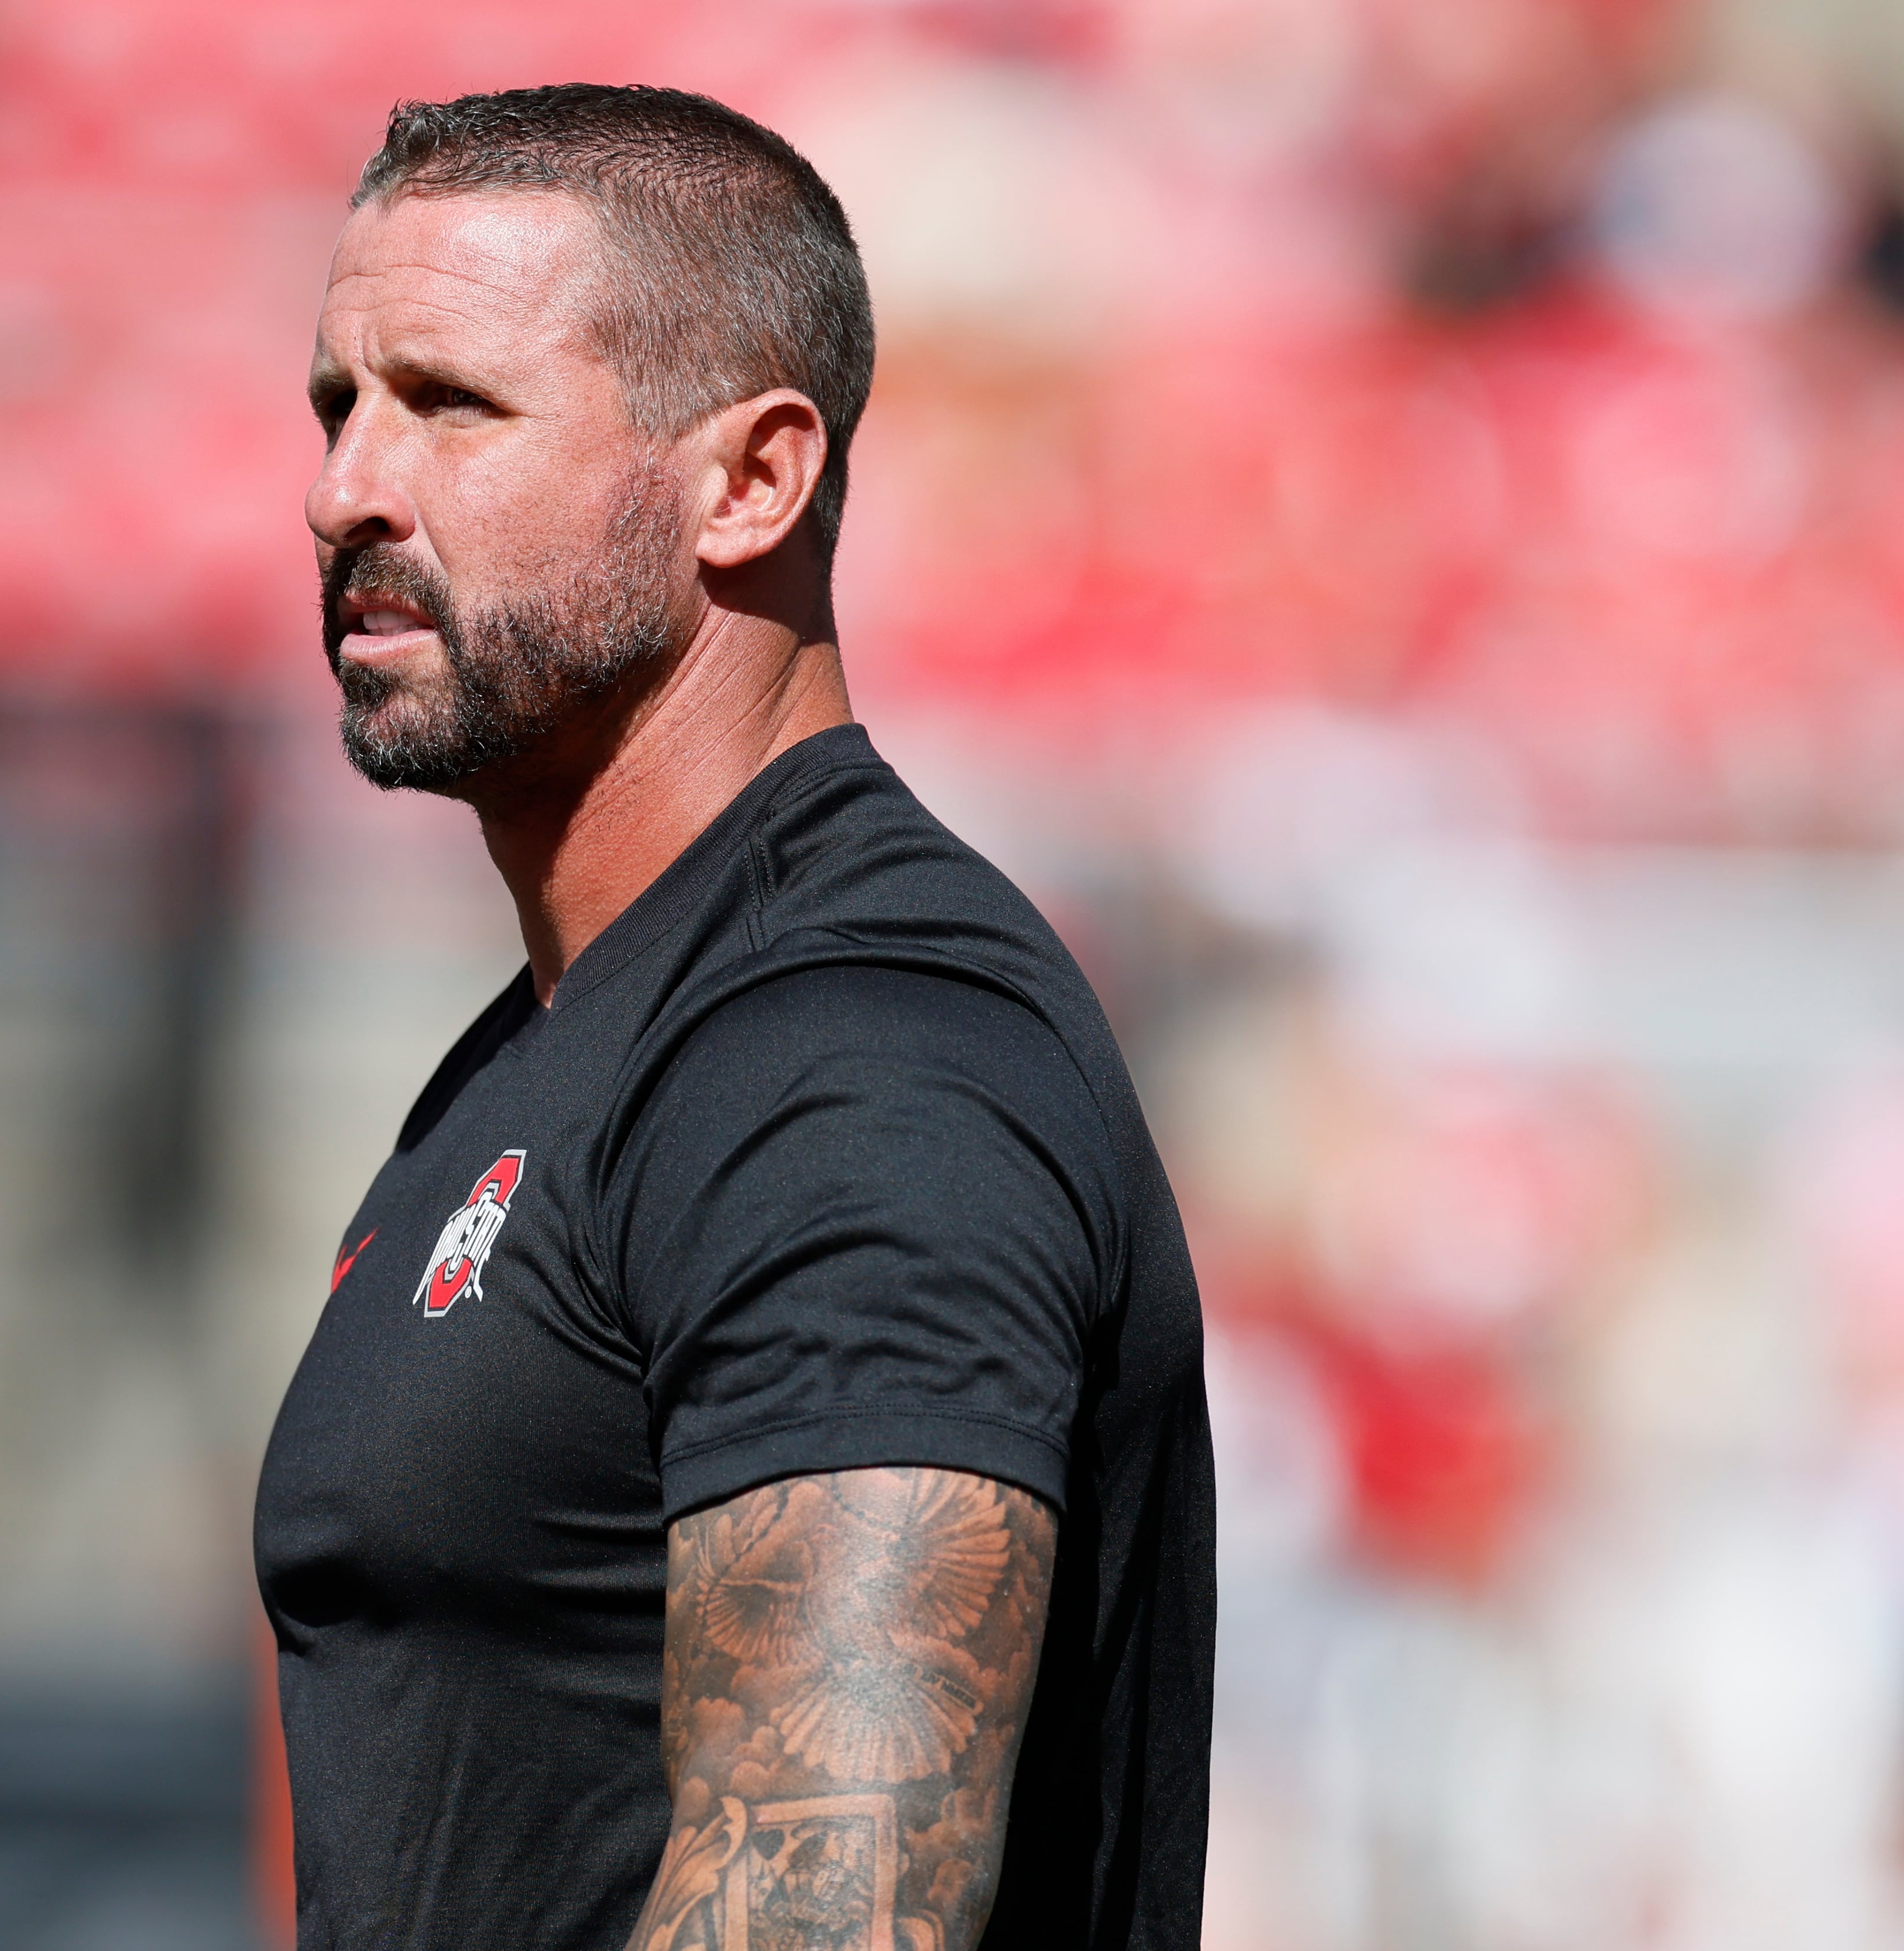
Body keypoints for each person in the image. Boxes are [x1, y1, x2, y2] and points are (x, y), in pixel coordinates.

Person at [252, 85, 1214, 1951]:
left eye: (451, 405)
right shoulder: (571, 1042)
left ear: (754, 482)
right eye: (336, 405)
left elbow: (834, 1907)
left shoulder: (854, 1063)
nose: (344, 487)